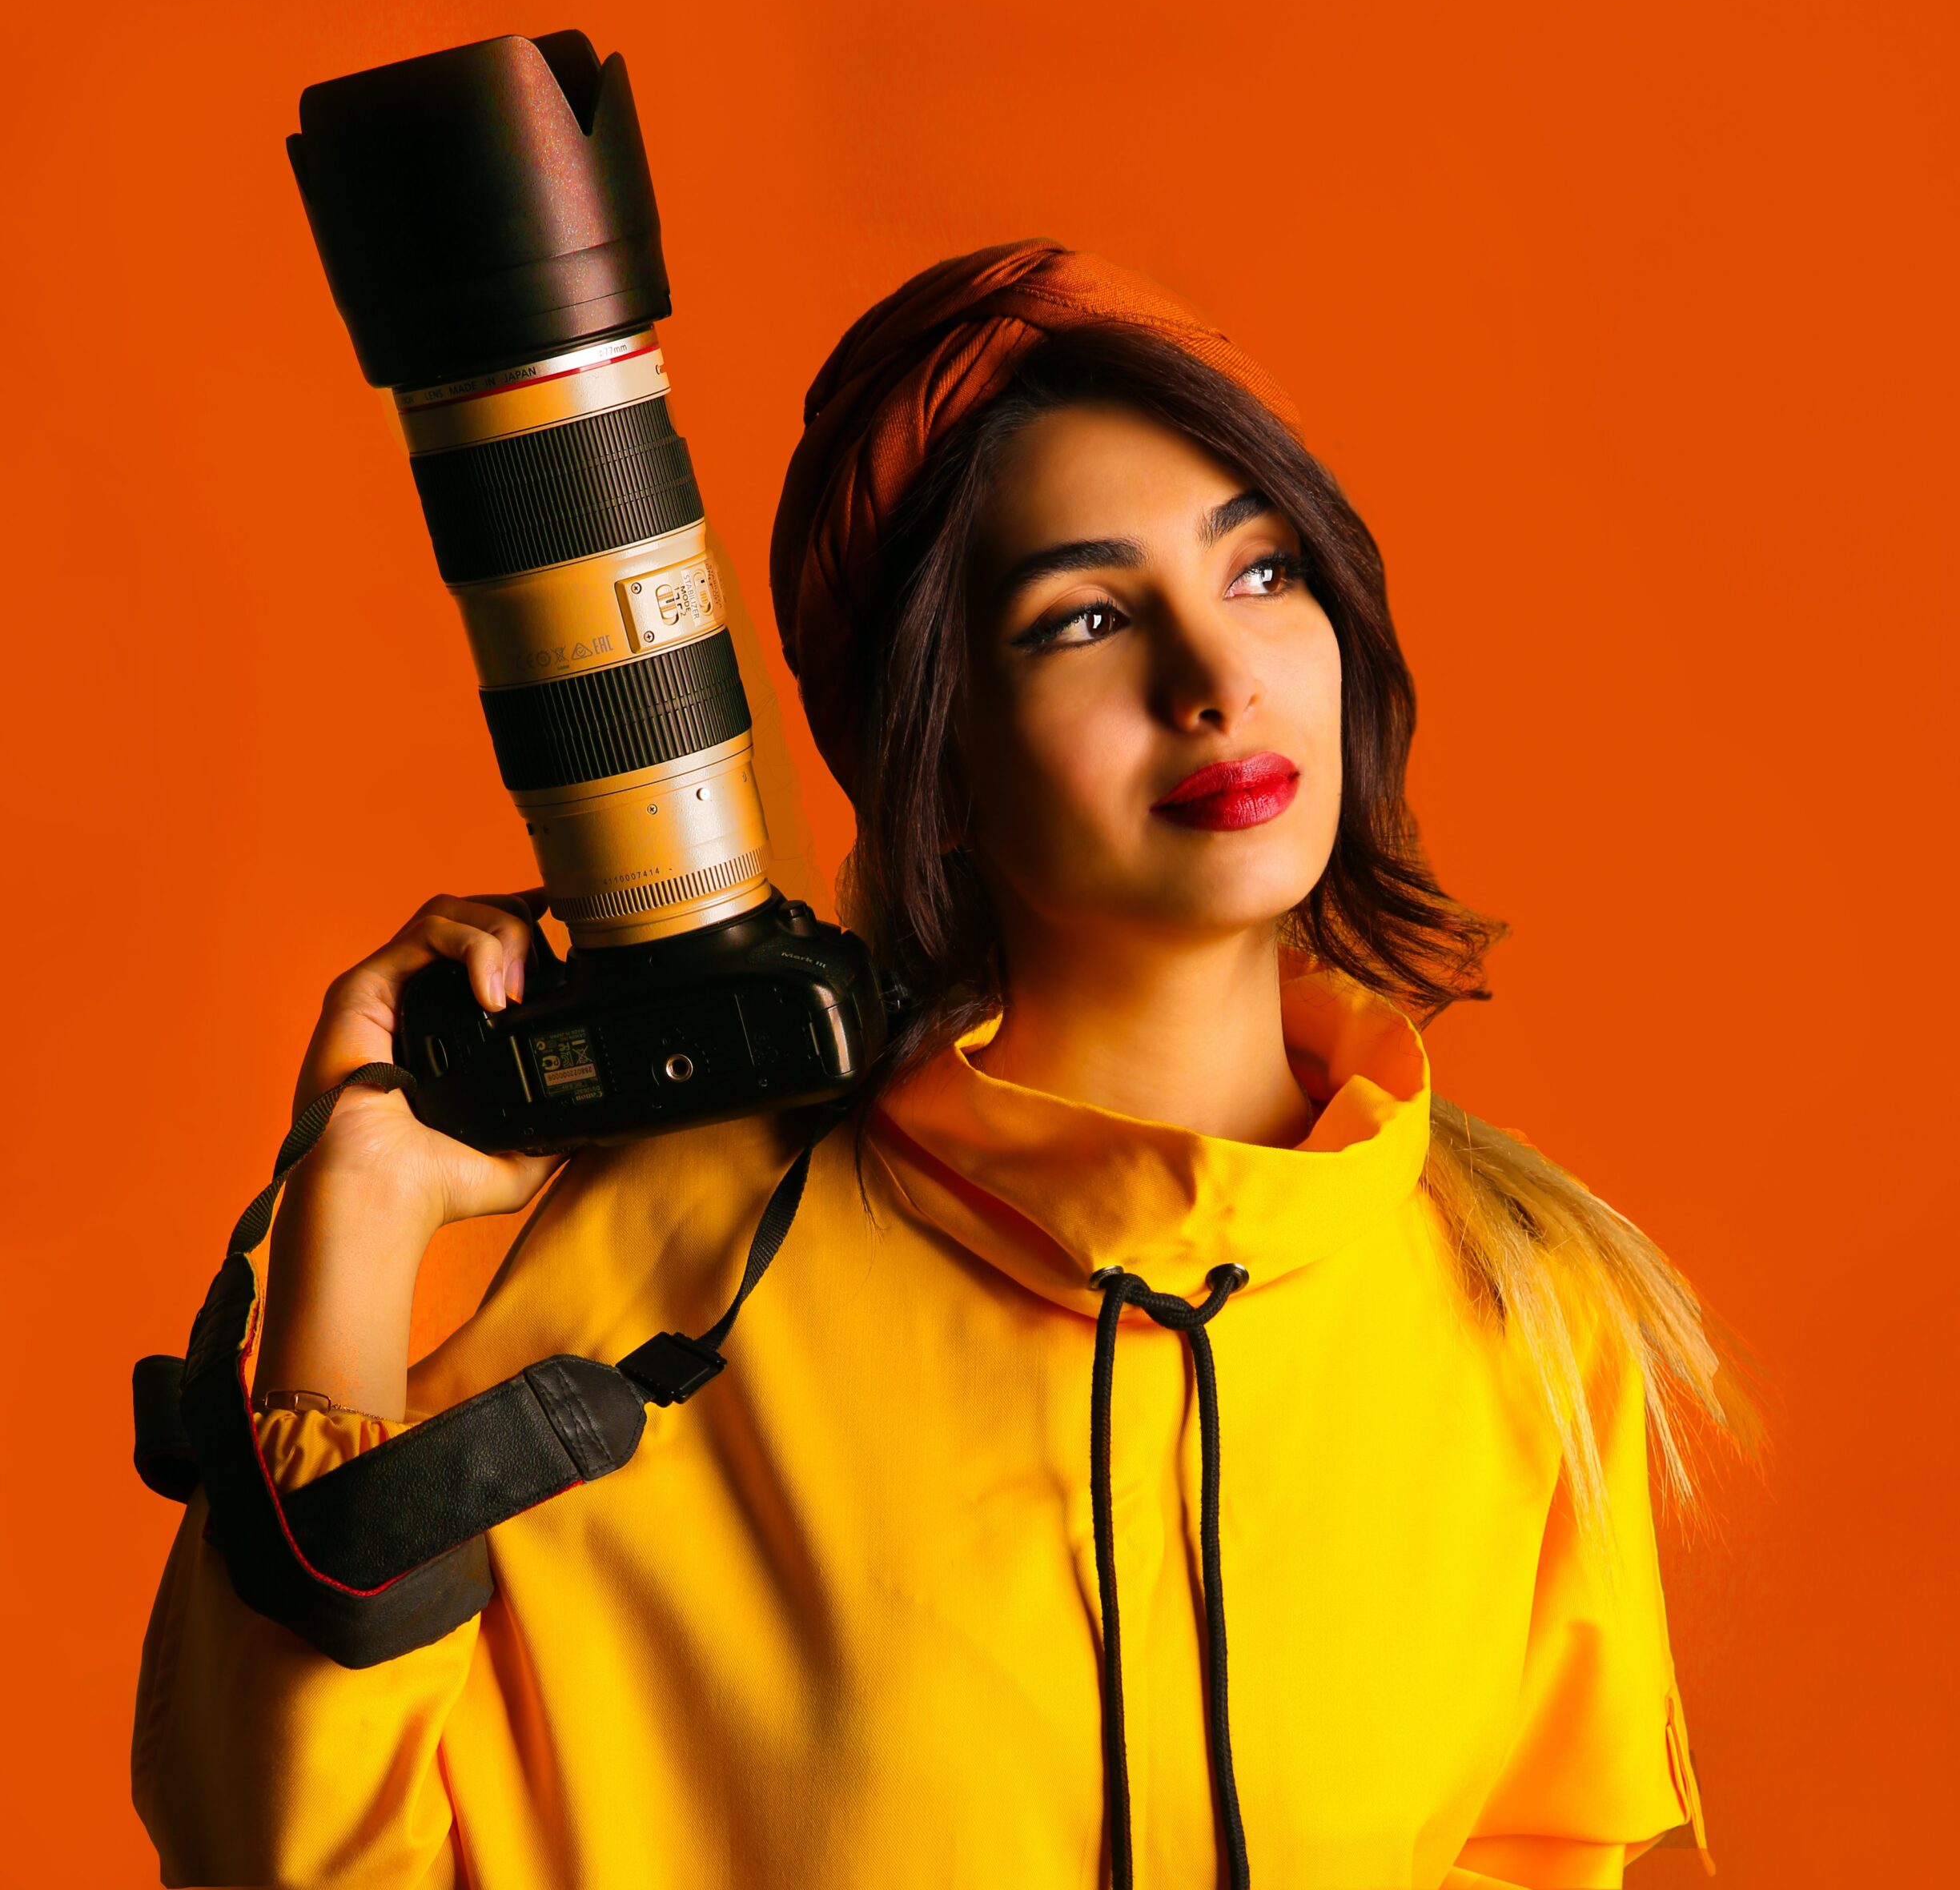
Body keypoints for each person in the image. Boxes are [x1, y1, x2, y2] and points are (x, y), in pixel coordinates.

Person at [133, 241, 1749, 1889]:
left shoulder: (1528, 1309)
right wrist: (363, 1200)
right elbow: (287, 1857)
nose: (1215, 679)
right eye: (1090, 617)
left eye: (1264, 574)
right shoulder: (689, 1269)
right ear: (936, 739)